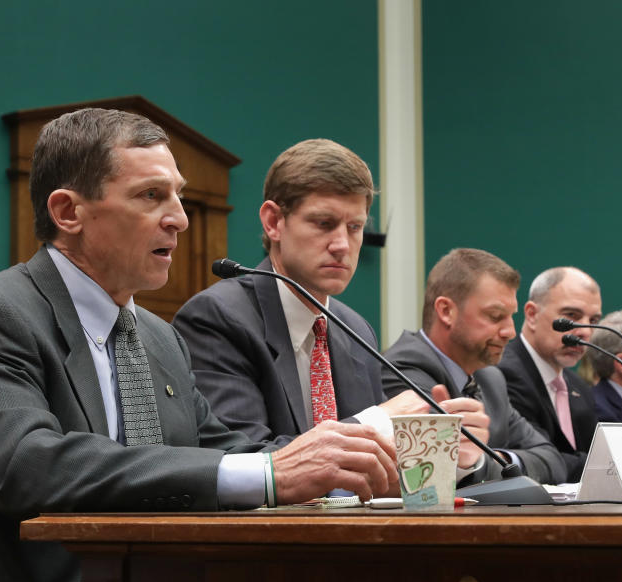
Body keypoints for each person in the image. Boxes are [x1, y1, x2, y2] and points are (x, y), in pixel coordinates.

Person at [0, 109, 399, 582]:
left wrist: (337, 466)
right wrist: (269, 474)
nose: (180, 219)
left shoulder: (158, 336)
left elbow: (223, 448)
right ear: (67, 211)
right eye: (151, 196)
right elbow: (29, 466)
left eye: (178, 196)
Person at [173, 139, 452, 448]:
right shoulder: (218, 318)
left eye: (355, 227)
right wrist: (373, 423)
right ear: (273, 222)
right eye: (324, 223)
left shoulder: (356, 330)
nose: (342, 245)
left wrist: (442, 449)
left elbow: (382, 463)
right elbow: (243, 456)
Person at [381, 249, 567, 484]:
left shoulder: (491, 378)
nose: (510, 332)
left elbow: (552, 460)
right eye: (495, 315)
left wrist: (497, 459)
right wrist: (485, 464)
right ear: (446, 311)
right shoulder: (402, 368)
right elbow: (438, 469)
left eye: (511, 316)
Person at [496, 267, 600, 482]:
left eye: (593, 321)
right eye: (571, 316)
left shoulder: (577, 386)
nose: (585, 332)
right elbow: (541, 460)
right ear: (532, 315)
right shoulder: (503, 374)